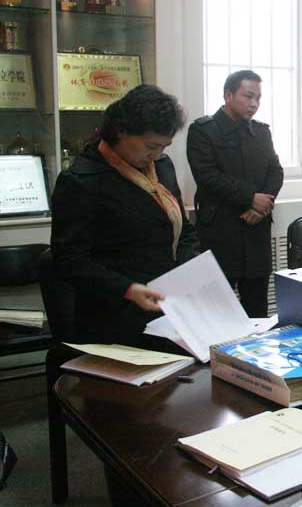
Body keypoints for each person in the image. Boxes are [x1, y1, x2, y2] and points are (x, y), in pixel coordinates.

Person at [50, 85, 199, 348]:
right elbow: (69, 260)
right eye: (150, 146)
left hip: (167, 308)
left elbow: (182, 229)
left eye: (163, 147)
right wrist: (127, 289)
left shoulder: (161, 167)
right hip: (114, 316)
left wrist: (191, 268)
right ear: (121, 131)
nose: (155, 155)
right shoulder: (82, 180)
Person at [186, 70, 283, 317]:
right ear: (228, 95)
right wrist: (251, 198)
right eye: (248, 96)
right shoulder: (203, 130)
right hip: (221, 231)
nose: (254, 104)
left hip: (256, 231)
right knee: (217, 313)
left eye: (258, 98)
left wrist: (262, 206)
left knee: (257, 310)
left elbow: (275, 171)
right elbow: (207, 175)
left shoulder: (261, 131)